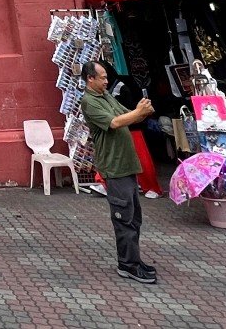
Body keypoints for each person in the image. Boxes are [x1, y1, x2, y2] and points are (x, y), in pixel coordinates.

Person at [80, 59, 156, 284]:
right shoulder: (89, 102)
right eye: (102, 77)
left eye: (106, 77)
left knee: (134, 217)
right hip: (114, 166)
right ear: (90, 79)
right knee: (123, 218)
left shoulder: (106, 96)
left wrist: (143, 111)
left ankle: (134, 259)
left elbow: (128, 115)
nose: (106, 81)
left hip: (127, 164)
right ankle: (127, 264)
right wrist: (138, 112)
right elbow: (114, 123)